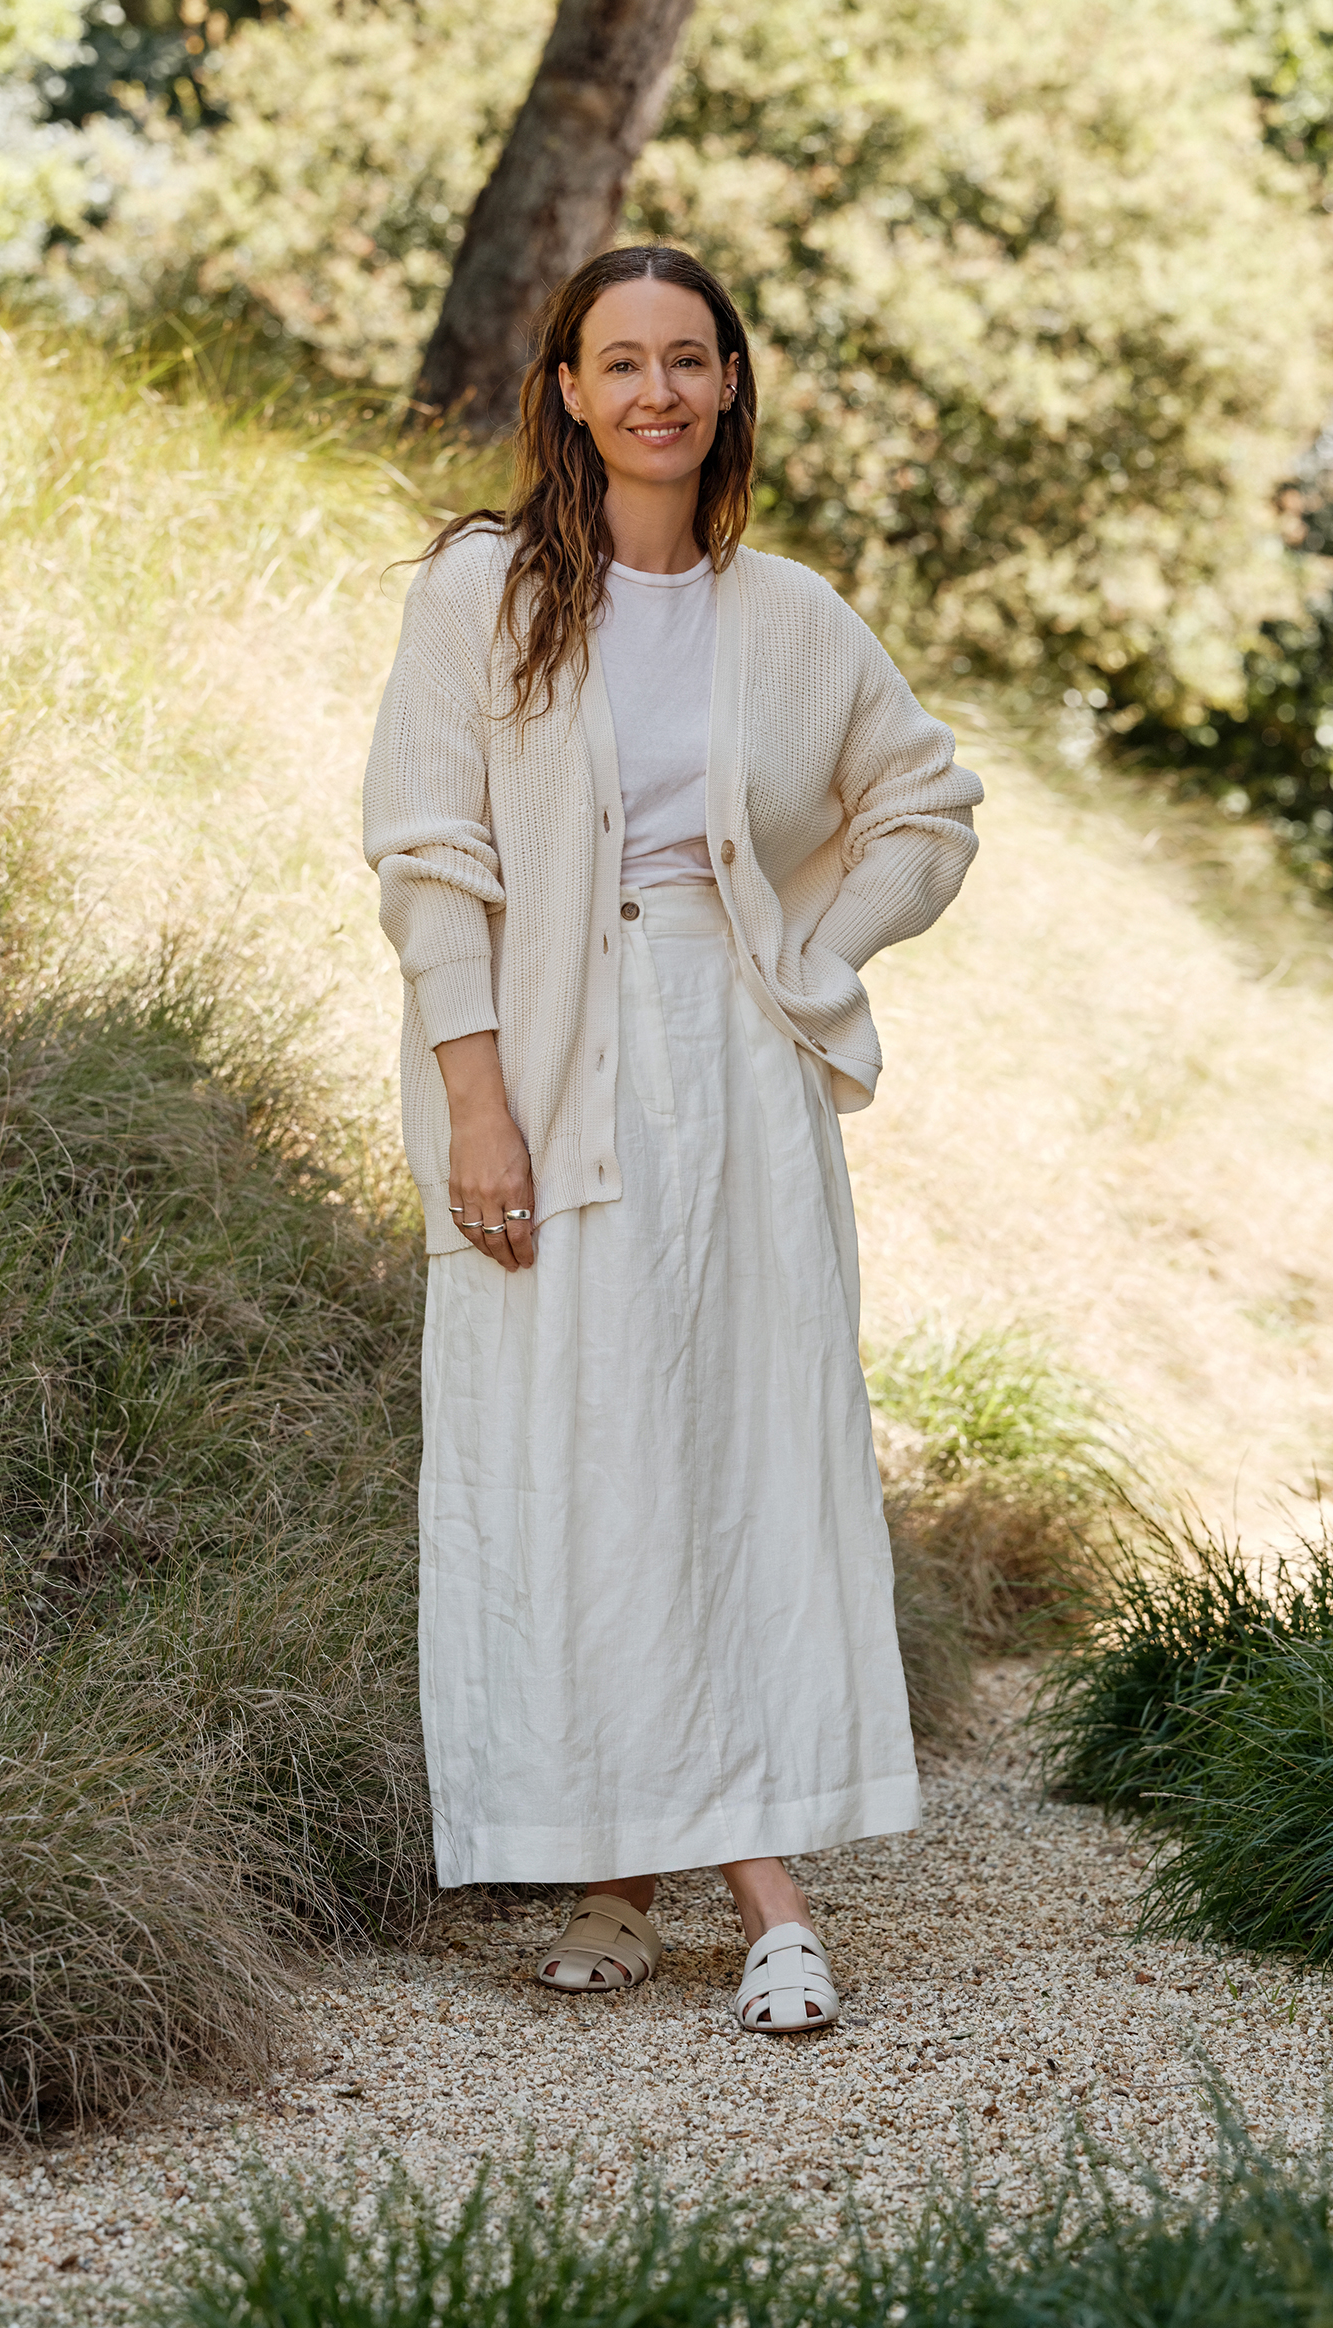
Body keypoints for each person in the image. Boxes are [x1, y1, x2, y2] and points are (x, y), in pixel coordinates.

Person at [363, 244, 981, 2033]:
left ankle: (707, 1887)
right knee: (578, 1452)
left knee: (728, 1449)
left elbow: (925, 803)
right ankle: (666, 1875)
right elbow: (431, 857)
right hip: (546, 1070)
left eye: (687, 361)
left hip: (742, 1071)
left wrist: (814, 950)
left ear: (729, 386)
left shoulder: (783, 613)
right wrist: (478, 1100)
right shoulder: (484, 592)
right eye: (618, 362)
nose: (656, 392)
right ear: (563, 388)